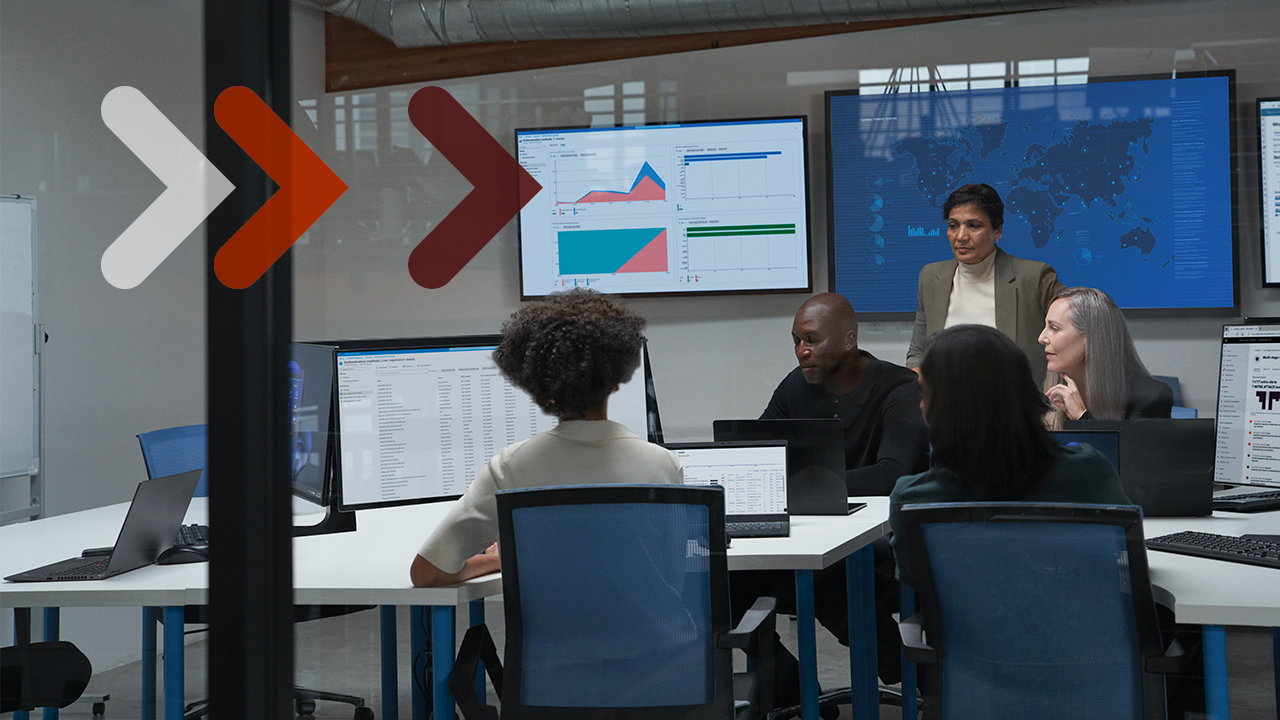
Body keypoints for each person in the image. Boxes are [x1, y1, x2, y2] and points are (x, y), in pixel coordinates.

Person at [410, 288, 682, 587]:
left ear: (542, 390)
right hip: (653, 633)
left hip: (549, 635)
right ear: (616, 382)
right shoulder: (662, 465)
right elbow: (673, 565)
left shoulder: (509, 468)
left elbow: (428, 573)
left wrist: (498, 560)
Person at [738, 292, 929, 705]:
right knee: (722, 583)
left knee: (833, 569)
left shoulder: (898, 388)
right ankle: (790, 687)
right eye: (796, 341)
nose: (801, 351)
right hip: (809, 533)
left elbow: (894, 473)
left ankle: (904, 667)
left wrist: (802, 489)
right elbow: (755, 452)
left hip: (878, 540)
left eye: (811, 340)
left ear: (848, 340)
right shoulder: (797, 386)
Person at [890, 324, 1131, 590]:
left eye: (924, 395)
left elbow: (914, 580)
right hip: (1083, 627)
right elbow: (1124, 554)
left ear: (943, 409)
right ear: (1025, 393)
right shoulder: (1088, 471)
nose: (920, 405)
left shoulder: (914, 499)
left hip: (977, 631)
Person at [906, 183, 1065, 384]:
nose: (961, 236)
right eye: (953, 225)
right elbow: (918, 350)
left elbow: (1078, 330)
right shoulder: (930, 277)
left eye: (973, 226)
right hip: (944, 407)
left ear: (997, 230)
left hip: (1015, 406)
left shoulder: (1033, 277)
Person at [1039, 286, 1174, 428]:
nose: (1041, 338)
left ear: (1090, 337)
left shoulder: (1151, 398)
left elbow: (1127, 450)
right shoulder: (1049, 394)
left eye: (1054, 328)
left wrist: (1082, 417)